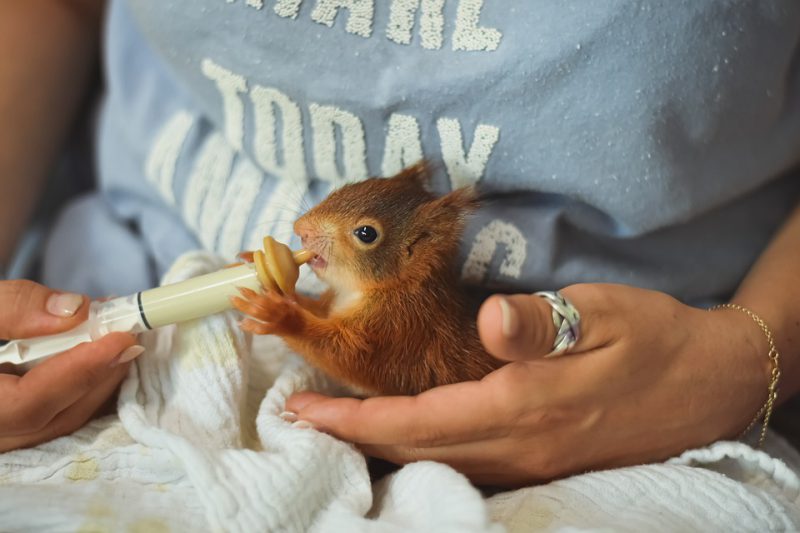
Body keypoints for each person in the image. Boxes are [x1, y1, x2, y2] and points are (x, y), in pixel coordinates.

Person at [1, 0, 799, 487]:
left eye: (360, 233)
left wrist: (747, 353)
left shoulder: (403, 303)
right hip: (102, 289)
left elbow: (367, 355)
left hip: (647, 404)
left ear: (413, 254)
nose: (307, 231)